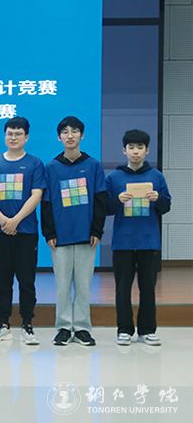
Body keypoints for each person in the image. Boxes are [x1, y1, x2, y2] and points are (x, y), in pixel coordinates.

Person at [41, 116, 106, 347]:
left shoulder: (93, 165)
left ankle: (82, 328)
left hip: (87, 236)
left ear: (82, 135)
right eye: (65, 132)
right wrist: (49, 232)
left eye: (75, 131)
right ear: (59, 137)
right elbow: (46, 203)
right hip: (60, 237)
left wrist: (97, 229)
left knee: (83, 286)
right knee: (62, 286)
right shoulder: (51, 167)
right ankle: (63, 327)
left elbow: (100, 199)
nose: (70, 135)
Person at [105, 129, 171, 346]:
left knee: (148, 288)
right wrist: (118, 199)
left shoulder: (156, 176)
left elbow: (166, 206)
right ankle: (124, 330)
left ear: (147, 150)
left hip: (148, 241)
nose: (135, 152)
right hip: (122, 243)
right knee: (122, 289)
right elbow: (105, 208)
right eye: (131, 147)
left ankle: (147, 330)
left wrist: (158, 198)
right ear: (124, 150)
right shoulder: (114, 177)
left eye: (140, 147)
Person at [0, 117, 45, 345]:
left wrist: (16, 220)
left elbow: (36, 195)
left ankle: (27, 325)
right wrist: (3, 220)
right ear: (4, 135)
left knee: (26, 280)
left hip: (26, 231)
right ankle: (3, 323)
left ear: (26, 137)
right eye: (10, 133)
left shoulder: (35, 163)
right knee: (1, 280)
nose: (13, 137)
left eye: (18, 134)